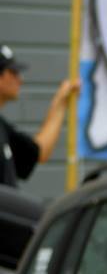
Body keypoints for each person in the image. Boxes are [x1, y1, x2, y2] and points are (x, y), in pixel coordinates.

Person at [0, 44, 79, 188]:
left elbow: (38, 152)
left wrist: (60, 103)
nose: (20, 80)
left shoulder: (3, 128)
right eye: (13, 73)